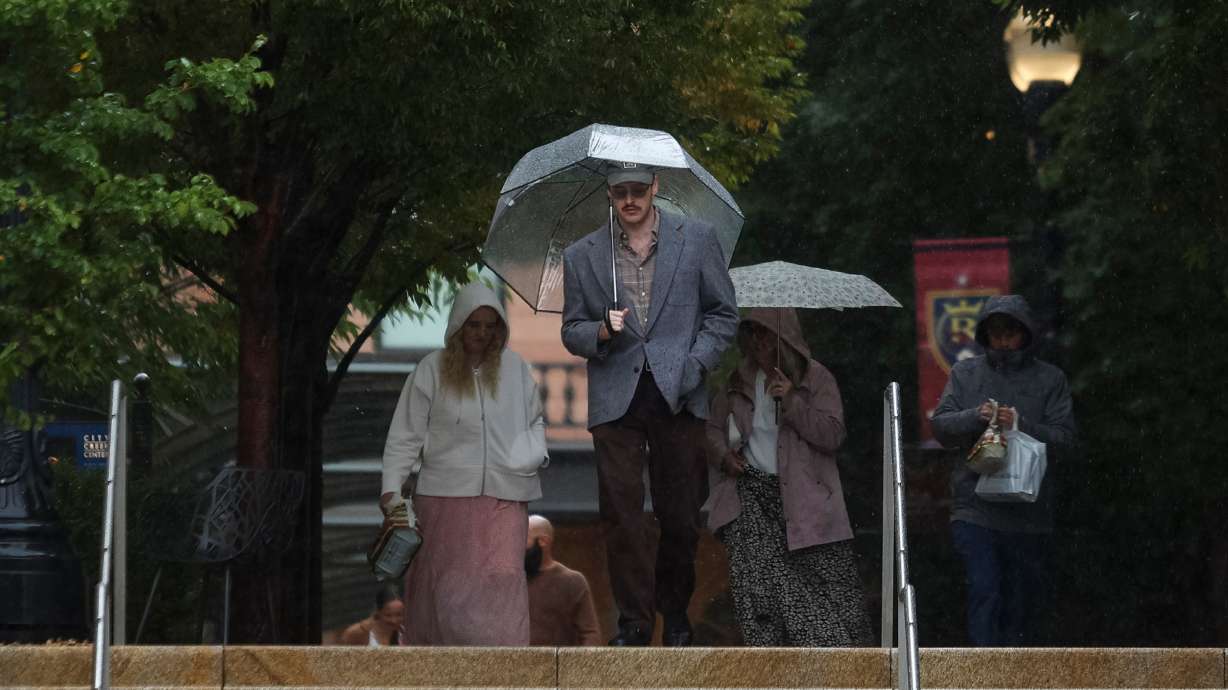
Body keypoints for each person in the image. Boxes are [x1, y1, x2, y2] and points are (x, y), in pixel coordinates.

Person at [561, 162, 737, 646]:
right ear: (610, 195)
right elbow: (570, 330)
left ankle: (675, 613)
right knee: (621, 514)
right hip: (616, 397)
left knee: (680, 514)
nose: (630, 200)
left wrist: (696, 365)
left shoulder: (697, 239)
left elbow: (724, 314)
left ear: (657, 188)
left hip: (678, 391)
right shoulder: (582, 255)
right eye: (621, 193)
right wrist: (600, 330)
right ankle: (634, 623)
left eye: (639, 190)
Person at [379, 281, 548, 646]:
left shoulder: (516, 368)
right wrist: (391, 490)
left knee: (503, 577)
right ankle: (452, 672)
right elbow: (404, 435)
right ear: (458, 325)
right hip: (444, 498)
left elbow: (536, 419)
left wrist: (532, 453)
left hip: (507, 493)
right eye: (474, 325)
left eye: (491, 326)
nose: (483, 334)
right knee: (451, 589)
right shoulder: (431, 369)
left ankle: (502, 672)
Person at [705, 308, 873, 647]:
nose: (759, 342)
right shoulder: (738, 380)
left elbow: (832, 434)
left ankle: (838, 665)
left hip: (807, 502)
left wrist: (793, 401)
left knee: (828, 596)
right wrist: (724, 456)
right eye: (752, 334)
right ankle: (771, 663)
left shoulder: (816, 379)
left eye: (766, 333)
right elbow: (711, 429)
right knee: (760, 590)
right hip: (752, 494)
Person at [930, 294, 1076, 647]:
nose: (1004, 342)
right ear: (985, 336)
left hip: (1028, 510)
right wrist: (975, 416)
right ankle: (983, 669)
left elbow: (1067, 440)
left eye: (1011, 334)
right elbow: (941, 426)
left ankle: (1016, 673)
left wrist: (1022, 424)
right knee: (985, 588)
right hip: (974, 505)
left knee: (1021, 602)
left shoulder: (1049, 379)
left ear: (1026, 335)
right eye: (996, 334)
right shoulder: (966, 373)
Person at [525, 514, 602, 646]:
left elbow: (590, 634)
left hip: (557, 663)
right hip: (515, 662)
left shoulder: (571, 581)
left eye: (524, 539)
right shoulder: (514, 581)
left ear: (543, 541)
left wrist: (585, 665)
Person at [339, 584, 404, 646]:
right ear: (378, 611)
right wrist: (363, 627)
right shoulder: (365, 631)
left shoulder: (405, 633)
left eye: (399, 615)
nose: (394, 620)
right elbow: (345, 638)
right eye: (388, 615)